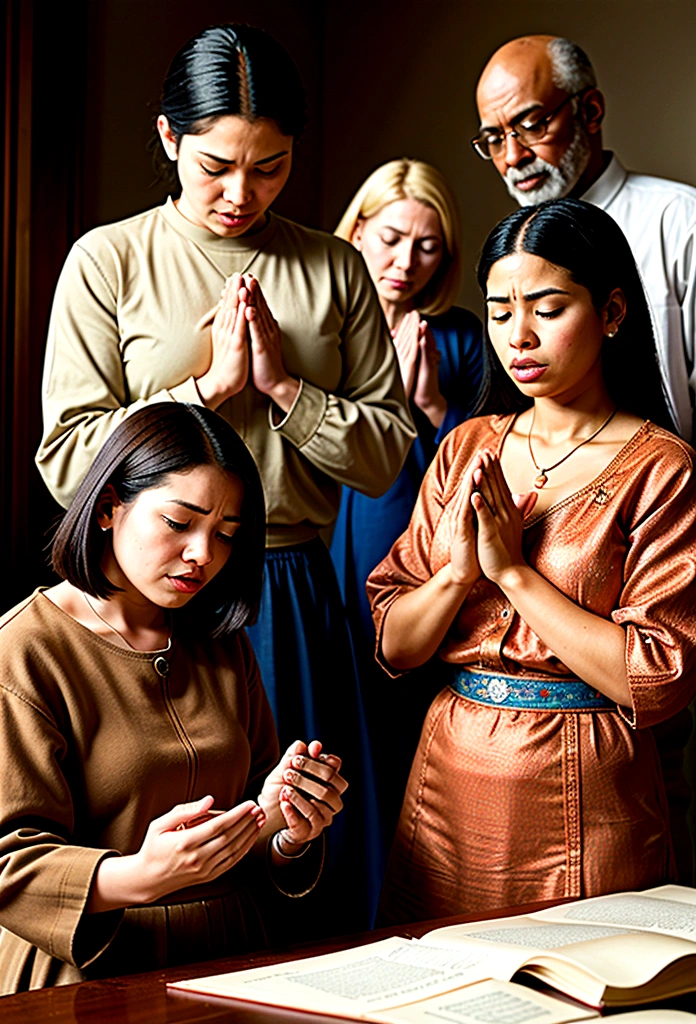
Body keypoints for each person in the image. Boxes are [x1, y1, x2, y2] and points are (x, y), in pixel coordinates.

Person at [35, 24, 414, 930]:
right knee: (190, 861)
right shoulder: (108, 258)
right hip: (149, 598)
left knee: (311, 844)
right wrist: (201, 391)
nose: (242, 194)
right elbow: (65, 458)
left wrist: (287, 388)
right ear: (168, 139)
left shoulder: (333, 264)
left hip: (292, 585)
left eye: (271, 167)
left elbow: (388, 451)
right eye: (214, 167)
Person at [368, 198, 696, 925]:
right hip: (450, 771)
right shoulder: (466, 446)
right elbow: (394, 642)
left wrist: (514, 574)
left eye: (547, 309)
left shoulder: (662, 469)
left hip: (589, 780)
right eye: (499, 309)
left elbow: (656, 679)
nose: (518, 335)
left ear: (611, 312)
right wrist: (457, 575)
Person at [0, 403, 347, 993]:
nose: (203, 555)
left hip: (232, 961)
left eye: (226, 535)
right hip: (86, 976)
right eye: (179, 522)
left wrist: (287, 831)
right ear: (110, 506)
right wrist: (139, 876)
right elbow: (9, 866)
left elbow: (251, 828)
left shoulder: (220, 642)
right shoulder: (25, 650)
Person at [329, 159, 483, 852]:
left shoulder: (462, 339)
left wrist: (431, 408)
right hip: (323, 545)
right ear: (358, 229)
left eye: (427, 247)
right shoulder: (323, 327)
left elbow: (491, 466)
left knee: (401, 736)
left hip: (417, 562)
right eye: (391, 238)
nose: (405, 262)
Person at [473, 34, 696, 442]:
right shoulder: (514, 252)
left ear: (590, 111)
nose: (512, 156)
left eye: (531, 125)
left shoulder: (681, 221)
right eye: (494, 139)